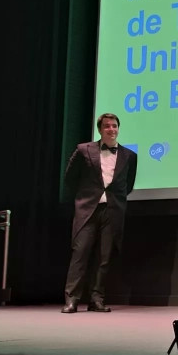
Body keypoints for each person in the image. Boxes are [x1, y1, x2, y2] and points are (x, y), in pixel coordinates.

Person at [61, 113, 137, 313]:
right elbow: (70, 179)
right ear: (100, 130)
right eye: (107, 126)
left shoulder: (129, 156)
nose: (111, 129)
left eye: (114, 126)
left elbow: (127, 185)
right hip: (87, 208)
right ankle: (72, 300)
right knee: (80, 254)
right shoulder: (84, 150)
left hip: (112, 211)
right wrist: (85, 197)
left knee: (104, 259)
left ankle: (97, 300)